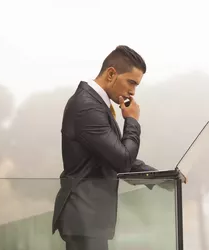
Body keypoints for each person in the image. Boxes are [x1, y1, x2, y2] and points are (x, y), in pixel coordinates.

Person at [52, 45, 158, 250]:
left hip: (89, 218)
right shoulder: (87, 107)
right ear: (111, 74)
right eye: (131, 82)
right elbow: (122, 160)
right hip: (83, 218)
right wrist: (132, 121)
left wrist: (159, 176)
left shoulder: (94, 104)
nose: (132, 92)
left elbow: (113, 155)